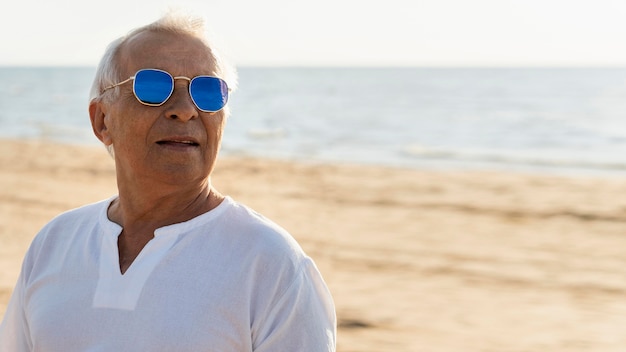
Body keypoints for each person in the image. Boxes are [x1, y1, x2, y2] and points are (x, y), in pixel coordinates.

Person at [0, 11, 336, 351]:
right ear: (102, 120)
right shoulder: (54, 244)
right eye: (153, 86)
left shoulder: (273, 265)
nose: (185, 109)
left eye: (207, 91)